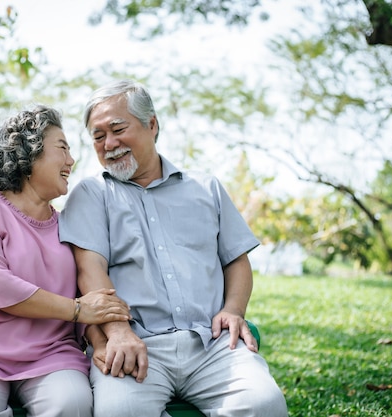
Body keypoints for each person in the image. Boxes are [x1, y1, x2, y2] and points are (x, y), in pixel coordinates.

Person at [58, 80, 288, 417]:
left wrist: (235, 310)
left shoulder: (205, 187)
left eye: (118, 129)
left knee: (264, 404)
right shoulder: (91, 194)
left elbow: (236, 259)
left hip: (212, 344)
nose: (109, 143)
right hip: (134, 343)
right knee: (119, 412)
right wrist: (119, 332)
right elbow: (89, 270)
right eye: (98, 136)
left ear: (152, 125)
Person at [0, 106, 131, 417]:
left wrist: (99, 340)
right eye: (62, 148)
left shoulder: (69, 225)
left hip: (51, 355)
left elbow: (89, 292)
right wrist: (77, 310)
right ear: (28, 152)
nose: (71, 161)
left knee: (71, 405)